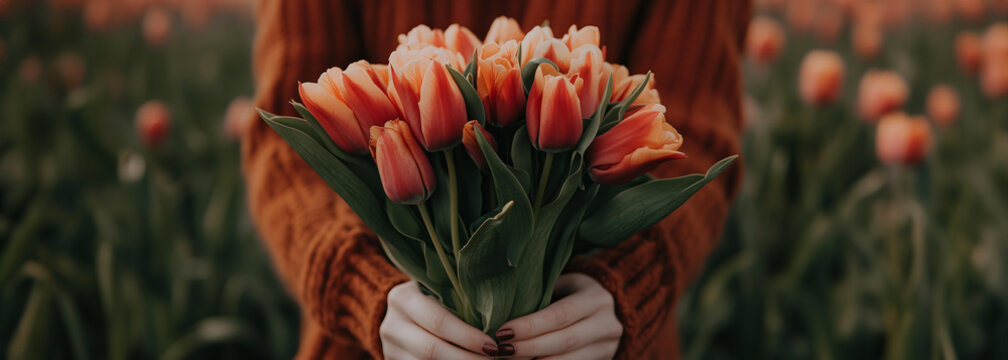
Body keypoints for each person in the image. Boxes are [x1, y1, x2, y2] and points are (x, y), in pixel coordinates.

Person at [246, 1, 750, 359]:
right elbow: (285, 147)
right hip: (383, 339)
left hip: (598, 339)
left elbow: (694, 136)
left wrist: (628, 283)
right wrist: (363, 287)